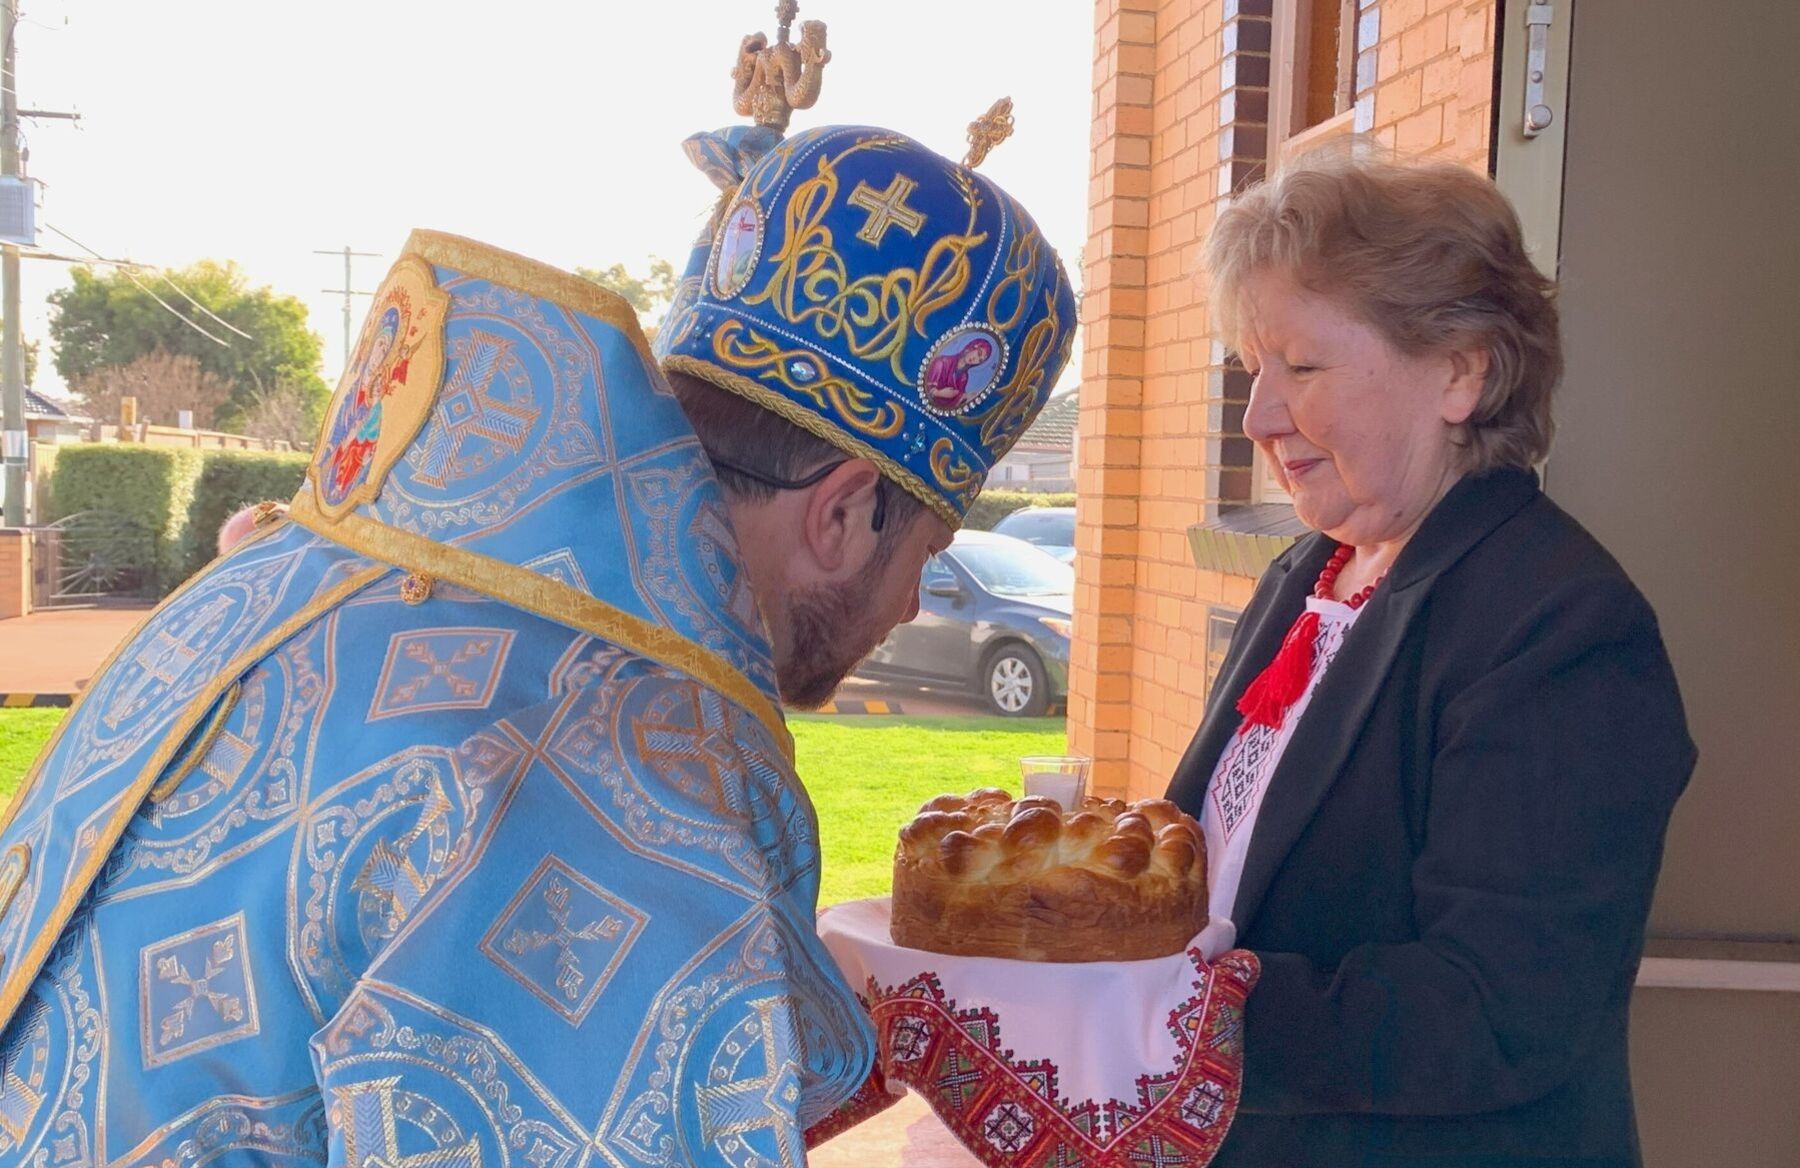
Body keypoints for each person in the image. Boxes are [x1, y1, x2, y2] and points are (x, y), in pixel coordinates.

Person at [0, 124, 1074, 1166]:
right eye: (927, 553)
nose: (911, 610)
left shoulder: (297, 571)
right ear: (841, 516)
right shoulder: (627, 766)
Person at [1164, 147, 1695, 1167]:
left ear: (1462, 372)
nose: (1259, 416)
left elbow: (1498, 1010)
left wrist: (1167, 1017)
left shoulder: (1562, 627)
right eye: (1252, 369)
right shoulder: (1311, 573)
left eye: (1302, 366)